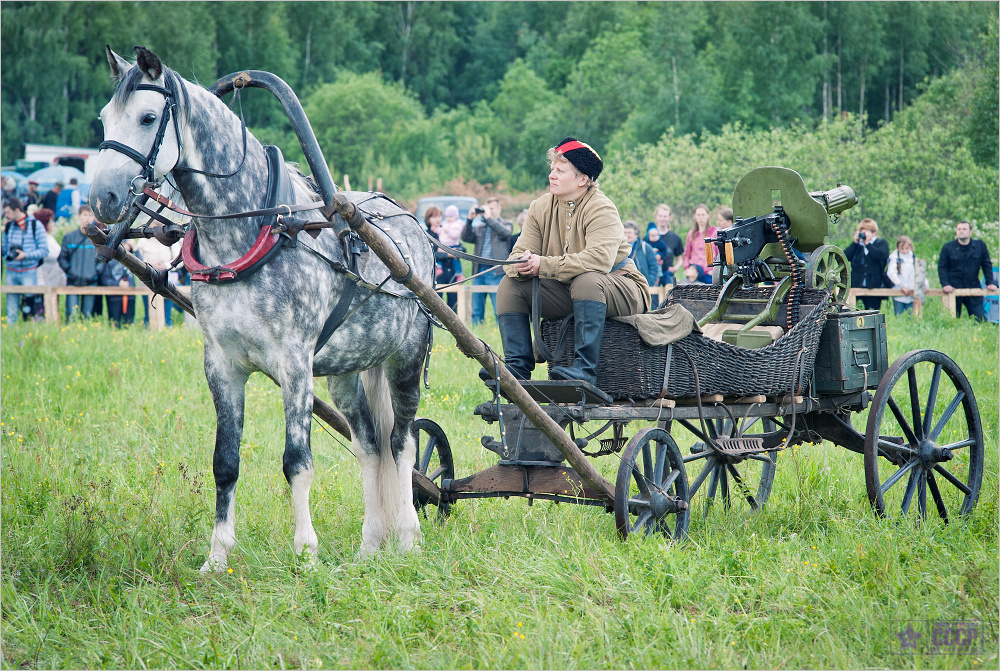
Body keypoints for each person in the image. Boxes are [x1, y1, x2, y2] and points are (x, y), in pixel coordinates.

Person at [490, 137, 649, 385]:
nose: (552, 175)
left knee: (587, 280)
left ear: (582, 180)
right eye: (552, 169)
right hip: (572, 288)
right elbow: (517, 254)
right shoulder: (539, 207)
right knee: (510, 286)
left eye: (560, 170)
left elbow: (599, 261)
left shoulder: (602, 207)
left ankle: (585, 370)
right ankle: (517, 369)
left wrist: (544, 265)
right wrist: (521, 264)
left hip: (622, 287)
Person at [462, 196, 513, 325]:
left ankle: (500, 333)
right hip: (479, 271)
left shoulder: (506, 224)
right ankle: (476, 336)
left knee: (499, 309)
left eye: (492, 209)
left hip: (496, 271)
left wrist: (489, 218)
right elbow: (466, 237)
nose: (488, 211)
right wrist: (469, 219)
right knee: (476, 310)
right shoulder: (480, 228)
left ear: (499, 209)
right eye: (487, 209)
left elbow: (506, 233)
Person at [938, 221, 997, 321]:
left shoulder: (980, 246)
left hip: (973, 287)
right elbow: (942, 267)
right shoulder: (948, 248)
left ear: (970, 232)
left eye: (964, 229)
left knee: (980, 319)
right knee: (950, 320)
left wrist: (990, 283)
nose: (961, 231)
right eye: (959, 229)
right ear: (956, 232)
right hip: (953, 288)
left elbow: (986, 265)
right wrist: (945, 284)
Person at [2, 197, 48, 324]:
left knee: (29, 308)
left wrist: (26, 255)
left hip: (29, 270)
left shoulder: (35, 225)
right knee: (11, 309)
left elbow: (44, 250)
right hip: (11, 271)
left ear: (17, 210)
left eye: (8, 212)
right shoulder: (9, 227)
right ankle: (13, 334)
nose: (6, 215)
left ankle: (28, 331)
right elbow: (4, 249)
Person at [58, 205, 102, 319]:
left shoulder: (99, 238)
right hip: (73, 281)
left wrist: (95, 273)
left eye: (90, 215)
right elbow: (62, 258)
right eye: (85, 215)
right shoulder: (69, 237)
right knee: (71, 314)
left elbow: (103, 260)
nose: (87, 218)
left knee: (87, 316)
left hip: (91, 281)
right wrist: (70, 272)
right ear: (79, 216)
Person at [844, 218, 889, 311]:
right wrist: (855, 243)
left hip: (874, 285)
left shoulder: (881, 243)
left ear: (874, 233)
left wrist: (868, 244)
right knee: (854, 311)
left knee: (872, 311)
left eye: (867, 232)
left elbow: (881, 255)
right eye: (862, 232)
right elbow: (845, 256)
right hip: (857, 284)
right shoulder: (858, 246)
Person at [885, 235, 926, 316]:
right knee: (899, 316)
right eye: (902, 248)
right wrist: (901, 286)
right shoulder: (894, 257)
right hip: (899, 291)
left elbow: (919, 272)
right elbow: (891, 273)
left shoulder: (913, 257)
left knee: (911, 316)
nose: (904, 251)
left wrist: (925, 285)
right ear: (898, 248)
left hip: (911, 292)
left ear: (910, 247)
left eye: (907, 248)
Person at [646, 203, 684, 286]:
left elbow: (679, 258)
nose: (662, 219)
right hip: (653, 273)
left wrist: (675, 268)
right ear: (656, 216)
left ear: (670, 217)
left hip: (668, 273)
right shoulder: (648, 237)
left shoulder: (675, 238)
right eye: (660, 216)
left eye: (665, 216)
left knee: (670, 296)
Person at [99, 252, 136, 327]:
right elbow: (104, 279)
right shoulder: (109, 260)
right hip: (114, 298)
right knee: (115, 323)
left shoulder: (132, 259)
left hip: (130, 297)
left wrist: (129, 284)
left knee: (129, 324)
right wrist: (118, 284)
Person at [682, 203, 717, 284]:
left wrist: (714, 270)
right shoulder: (691, 234)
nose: (701, 218)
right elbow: (686, 254)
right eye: (698, 215)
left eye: (703, 215)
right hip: (694, 272)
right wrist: (687, 268)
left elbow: (719, 254)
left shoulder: (713, 233)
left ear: (708, 215)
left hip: (708, 272)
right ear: (695, 216)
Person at [624, 220, 659, 290]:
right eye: (625, 232)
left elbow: (654, 267)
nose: (627, 235)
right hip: (624, 287)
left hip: (642, 287)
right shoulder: (618, 248)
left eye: (629, 233)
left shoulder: (645, 247)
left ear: (636, 234)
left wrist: (649, 283)